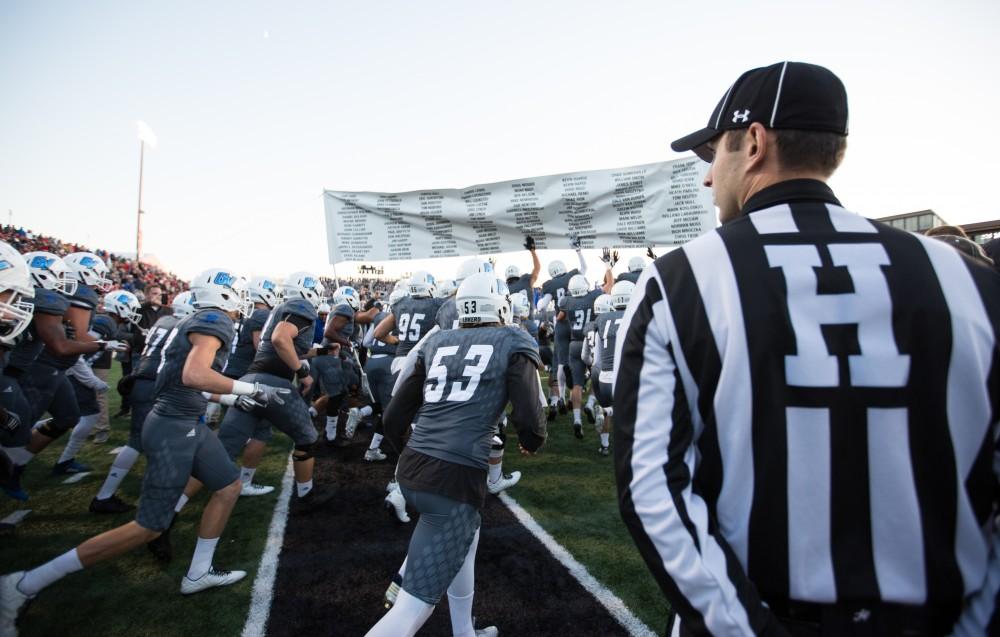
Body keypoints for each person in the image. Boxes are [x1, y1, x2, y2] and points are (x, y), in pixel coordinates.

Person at [614, 61, 1000, 636]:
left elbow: (650, 483)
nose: (705, 178)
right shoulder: (969, 280)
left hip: (759, 613)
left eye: (712, 154)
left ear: (753, 142)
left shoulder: (682, 279)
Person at [1, 268, 290, 636]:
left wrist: (236, 396)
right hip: (174, 428)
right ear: (222, 296)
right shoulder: (215, 319)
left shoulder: (196, 318)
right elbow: (196, 376)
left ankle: (199, 571)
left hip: (184, 420)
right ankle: (23, 584)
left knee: (228, 486)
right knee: (148, 528)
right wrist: (250, 391)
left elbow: (192, 384)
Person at [366, 272, 546, 637]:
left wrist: (412, 456)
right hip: (453, 479)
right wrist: (532, 440)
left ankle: (464, 631)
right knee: (411, 611)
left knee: (465, 541)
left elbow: (394, 417)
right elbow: (530, 419)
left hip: (414, 467)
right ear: (501, 305)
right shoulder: (513, 339)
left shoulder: (438, 340)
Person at [216, 272, 326, 503]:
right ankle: (307, 496)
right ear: (307, 291)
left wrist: (323, 351)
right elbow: (280, 339)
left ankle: (174, 506)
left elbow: (287, 347)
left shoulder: (282, 308)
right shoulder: (301, 305)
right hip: (274, 384)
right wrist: (303, 373)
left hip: (250, 380)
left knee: (223, 449)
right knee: (307, 439)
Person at [89, 291, 195, 513]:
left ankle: (107, 495)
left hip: (141, 381)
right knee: (159, 440)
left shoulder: (165, 320)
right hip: (155, 385)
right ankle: (149, 495)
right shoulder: (183, 327)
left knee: (140, 440)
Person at [556, 255, 613, 438]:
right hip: (591, 341)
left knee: (577, 384)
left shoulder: (567, 301)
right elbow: (610, 286)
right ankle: (590, 403)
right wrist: (607, 266)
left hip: (574, 343)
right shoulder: (594, 296)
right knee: (597, 376)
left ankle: (577, 420)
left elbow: (561, 316)